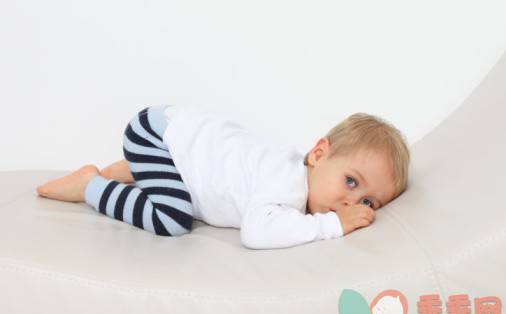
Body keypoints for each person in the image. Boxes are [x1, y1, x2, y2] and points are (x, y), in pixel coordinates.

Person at [36, 105, 410, 249]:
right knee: (173, 220)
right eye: (350, 181)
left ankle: (137, 168)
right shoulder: (287, 186)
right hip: (154, 136)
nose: (350, 204)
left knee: (185, 188)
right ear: (318, 154)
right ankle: (92, 186)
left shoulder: (298, 171)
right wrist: (332, 226)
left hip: (171, 137)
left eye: (367, 202)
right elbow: (256, 233)